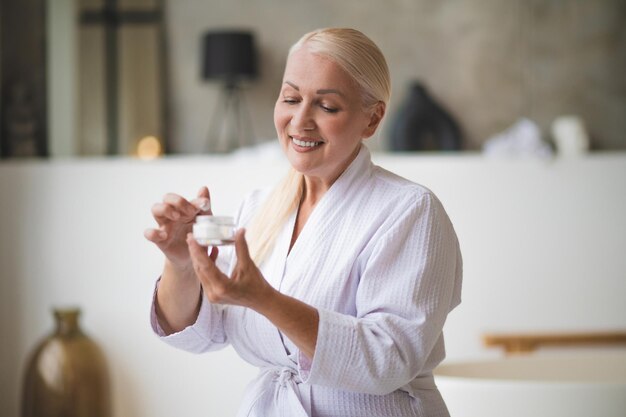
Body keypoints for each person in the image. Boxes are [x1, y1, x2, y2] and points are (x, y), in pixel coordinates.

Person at [145, 27, 462, 417]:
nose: (300, 120)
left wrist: (264, 298)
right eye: (290, 98)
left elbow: (389, 359)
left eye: (326, 107)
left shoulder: (410, 211)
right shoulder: (259, 209)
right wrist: (180, 264)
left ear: (372, 118)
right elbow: (202, 335)